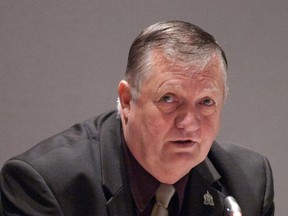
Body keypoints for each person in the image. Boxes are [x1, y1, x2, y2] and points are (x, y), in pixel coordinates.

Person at [0, 21, 274, 215]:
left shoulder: (247, 184)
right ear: (127, 100)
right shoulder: (45, 184)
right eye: (168, 98)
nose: (189, 123)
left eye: (206, 102)